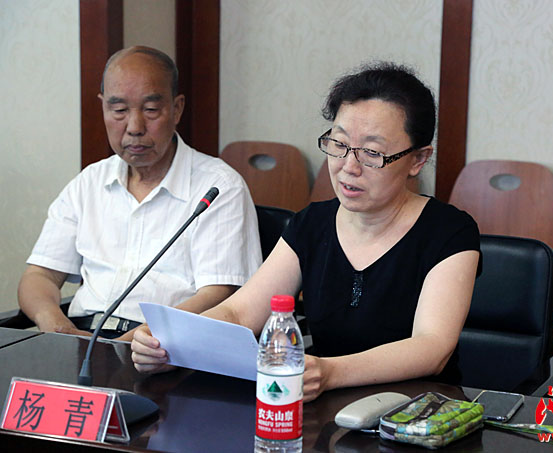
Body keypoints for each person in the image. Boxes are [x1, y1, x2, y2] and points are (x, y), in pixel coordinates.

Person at [131, 62, 480, 402]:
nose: (349, 167)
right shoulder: (312, 224)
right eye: (339, 145)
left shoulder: (449, 232)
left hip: (416, 415)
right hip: (321, 411)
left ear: (418, 159)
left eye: (372, 153)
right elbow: (239, 313)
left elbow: (431, 346)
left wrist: (331, 372)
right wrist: (174, 344)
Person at [18, 46, 262, 341]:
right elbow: (40, 275)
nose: (134, 127)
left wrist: (132, 342)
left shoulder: (219, 187)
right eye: (119, 110)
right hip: (82, 339)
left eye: (151, 110)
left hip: (166, 347)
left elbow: (221, 294)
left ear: (177, 109)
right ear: (103, 107)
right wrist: (57, 326)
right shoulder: (89, 182)